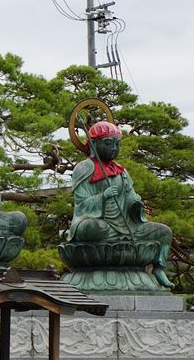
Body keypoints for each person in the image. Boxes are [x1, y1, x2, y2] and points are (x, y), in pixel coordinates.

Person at [69, 121, 174, 288]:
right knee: (90, 227)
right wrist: (103, 197)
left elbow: (131, 198)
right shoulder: (83, 168)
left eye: (117, 144)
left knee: (163, 232)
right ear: (93, 144)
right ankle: (118, 247)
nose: (113, 148)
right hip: (101, 226)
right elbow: (82, 204)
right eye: (108, 143)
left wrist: (136, 204)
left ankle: (159, 268)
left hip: (127, 226)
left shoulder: (121, 171)